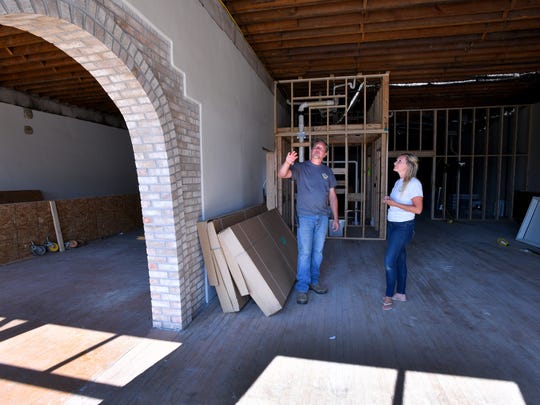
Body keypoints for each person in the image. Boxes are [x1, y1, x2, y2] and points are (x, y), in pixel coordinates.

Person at [278, 138, 339, 305]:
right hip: (305, 218)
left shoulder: (328, 171)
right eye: (315, 147)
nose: (318, 150)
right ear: (312, 151)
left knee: (317, 252)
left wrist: (335, 218)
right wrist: (287, 162)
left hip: (323, 217)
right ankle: (302, 288)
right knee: (305, 253)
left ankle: (314, 282)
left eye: (321, 148)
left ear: (325, 154)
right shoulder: (301, 168)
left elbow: (332, 196)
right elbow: (282, 174)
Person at [382, 153, 423, 311]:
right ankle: (400, 293)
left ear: (408, 166)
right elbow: (398, 203)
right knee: (400, 259)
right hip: (393, 225)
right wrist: (390, 201)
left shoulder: (414, 183)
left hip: (403, 227)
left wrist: (394, 203)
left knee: (388, 261)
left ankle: (388, 295)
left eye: (399, 161)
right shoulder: (399, 182)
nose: (395, 162)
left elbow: (418, 209)